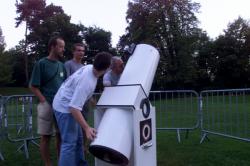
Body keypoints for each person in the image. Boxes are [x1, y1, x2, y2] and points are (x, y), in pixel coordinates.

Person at [53, 51, 112, 166]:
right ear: (106, 68)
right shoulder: (87, 82)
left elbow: (78, 89)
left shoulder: (90, 67)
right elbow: (73, 108)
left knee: (79, 140)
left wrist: (91, 100)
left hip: (66, 102)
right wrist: (86, 127)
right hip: (64, 108)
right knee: (69, 143)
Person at [29, 36, 67, 166]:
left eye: (63, 46)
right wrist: (44, 102)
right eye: (61, 46)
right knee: (46, 137)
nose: (63, 49)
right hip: (46, 105)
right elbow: (33, 86)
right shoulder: (41, 63)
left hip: (60, 107)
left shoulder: (62, 66)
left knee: (60, 136)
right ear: (52, 47)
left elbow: (65, 86)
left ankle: (60, 162)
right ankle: (48, 164)